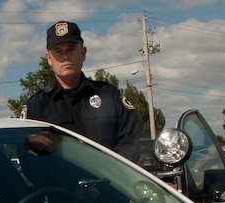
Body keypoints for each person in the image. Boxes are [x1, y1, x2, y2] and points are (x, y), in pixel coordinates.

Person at [20, 21, 141, 162]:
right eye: (58, 51)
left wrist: (110, 173)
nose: (65, 56)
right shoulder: (36, 107)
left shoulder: (110, 96)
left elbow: (131, 144)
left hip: (112, 181)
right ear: (49, 58)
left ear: (83, 53)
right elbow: (28, 158)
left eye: (71, 49)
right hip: (60, 183)